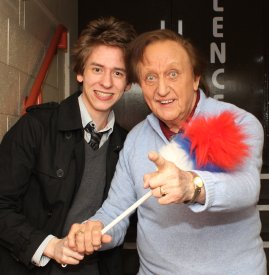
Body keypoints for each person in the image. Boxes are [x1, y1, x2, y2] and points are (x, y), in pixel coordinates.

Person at [67, 28, 267, 275]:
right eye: (150, 78)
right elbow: (115, 211)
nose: (161, 90)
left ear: (195, 78)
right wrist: (94, 229)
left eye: (173, 74)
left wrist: (190, 185)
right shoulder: (135, 140)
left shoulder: (239, 122)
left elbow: (246, 189)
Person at [0, 17, 136, 275]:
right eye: (97, 69)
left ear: (128, 83)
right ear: (80, 73)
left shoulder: (129, 144)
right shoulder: (36, 126)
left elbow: (128, 220)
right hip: (34, 265)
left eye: (117, 73)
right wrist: (49, 245)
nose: (106, 83)